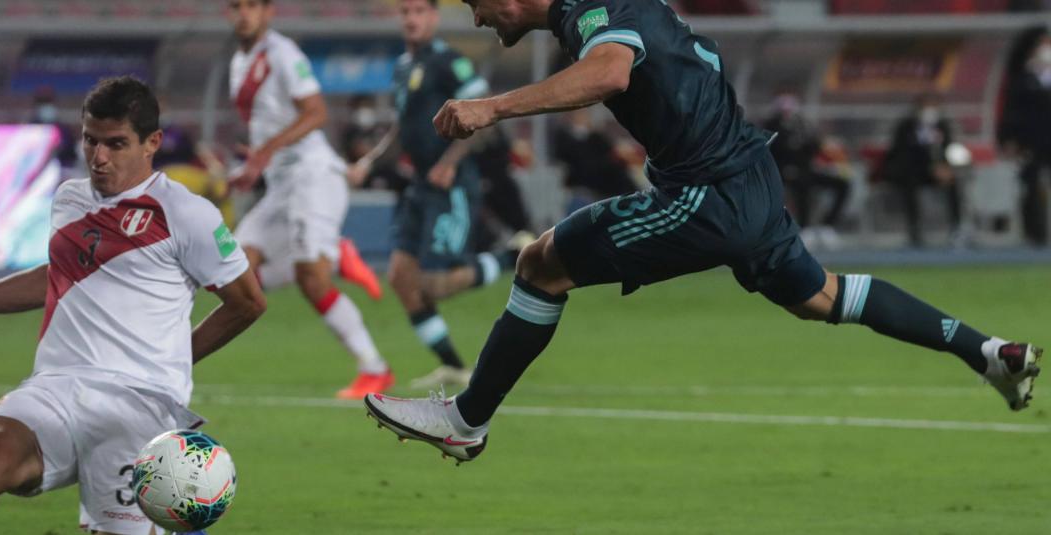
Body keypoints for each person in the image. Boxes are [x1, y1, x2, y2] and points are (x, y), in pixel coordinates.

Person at [364, 0, 1043, 464]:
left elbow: (610, 71)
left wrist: (492, 107)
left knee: (542, 263)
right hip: (749, 177)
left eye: (475, 2)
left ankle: (466, 420)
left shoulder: (591, 10)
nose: (476, 16)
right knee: (821, 296)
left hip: (708, 194)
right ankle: (989, 353)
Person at [0, 76, 267, 534]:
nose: (99, 157)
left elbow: (247, 301)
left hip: (138, 403)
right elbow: (60, 275)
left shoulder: (186, 214)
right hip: (57, 386)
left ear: (152, 143)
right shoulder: (69, 198)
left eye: (116, 143)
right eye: (91, 140)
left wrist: (179, 357)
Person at [225, 0, 393, 399]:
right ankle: (335, 253)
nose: (244, 13)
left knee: (313, 279)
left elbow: (317, 112)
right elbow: (266, 125)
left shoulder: (283, 54)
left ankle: (374, 368)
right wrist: (255, 166)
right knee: (236, 272)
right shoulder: (238, 62)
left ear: (269, 12)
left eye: (252, 6)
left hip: (313, 175)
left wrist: (266, 151)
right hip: (281, 185)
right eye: (236, 6)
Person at [347, 0, 502, 389]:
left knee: (434, 283)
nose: (411, 19)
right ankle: (454, 366)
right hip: (419, 186)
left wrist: (450, 162)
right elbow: (402, 129)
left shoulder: (449, 62)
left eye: (419, 11)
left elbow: (485, 119)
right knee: (401, 278)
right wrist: (369, 162)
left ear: (434, 16)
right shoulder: (403, 67)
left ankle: (512, 257)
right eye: (405, 12)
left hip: (452, 185)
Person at [762, 90, 849, 249]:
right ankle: (805, 227)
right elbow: (769, 153)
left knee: (842, 184)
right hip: (783, 172)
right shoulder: (770, 126)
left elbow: (814, 148)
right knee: (802, 183)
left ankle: (827, 226)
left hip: (806, 169)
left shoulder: (802, 124)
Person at [880, 93, 967, 248]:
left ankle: (957, 228)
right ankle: (914, 229)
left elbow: (950, 148)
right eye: (927, 106)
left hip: (936, 172)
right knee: (909, 184)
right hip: (911, 171)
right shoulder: (906, 126)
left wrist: (947, 167)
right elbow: (901, 153)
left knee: (953, 183)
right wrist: (930, 167)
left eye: (934, 106)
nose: (931, 110)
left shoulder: (942, 126)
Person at [998, 26, 1051, 247]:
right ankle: (1035, 235)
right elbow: (1012, 111)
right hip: (1032, 142)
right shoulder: (1022, 78)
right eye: (1043, 43)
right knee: (1031, 187)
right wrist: (1009, 139)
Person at [552, 106, 637, 214]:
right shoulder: (564, 137)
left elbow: (610, 151)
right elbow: (571, 158)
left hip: (603, 179)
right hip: (584, 181)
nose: (583, 116)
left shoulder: (596, 136)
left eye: (584, 113)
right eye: (579, 114)